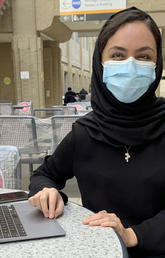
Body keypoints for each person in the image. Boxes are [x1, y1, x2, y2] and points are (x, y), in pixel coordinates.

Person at [28, 7, 165, 258]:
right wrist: (46, 192)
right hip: (99, 252)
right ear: (100, 63)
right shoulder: (85, 132)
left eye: (144, 57)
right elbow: (44, 174)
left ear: (157, 65)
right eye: (117, 55)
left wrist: (133, 235)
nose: (131, 66)